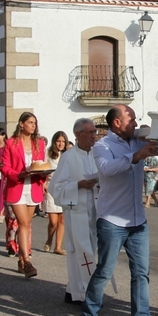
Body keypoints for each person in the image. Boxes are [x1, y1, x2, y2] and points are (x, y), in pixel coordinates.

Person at [77, 104, 158, 316]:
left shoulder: (138, 140)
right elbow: (107, 169)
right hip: (112, 220)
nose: (135, 123)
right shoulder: (102, 146)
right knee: (105, 270)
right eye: (132, 120)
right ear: (117, 123)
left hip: (137, 219)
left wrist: (154, 135)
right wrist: (137, 156)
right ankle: (88, 314)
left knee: (141, 273)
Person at [50, 118, 100, 304]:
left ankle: (73, 290)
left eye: (95, 132)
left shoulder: (98, 154)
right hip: (76, 209)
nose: (94, 136)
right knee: (77, 251)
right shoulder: (68, 157)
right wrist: (78, 185)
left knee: (90, 249)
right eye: (91, 132)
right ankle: (85, 294)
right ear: (78, 134)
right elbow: (55, 187)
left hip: (96, 209)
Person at [1, 111, 46, 277]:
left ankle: (21, 260)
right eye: (30, 122)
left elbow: (41, 164)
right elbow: (4, 166)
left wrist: (43, 173)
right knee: (23, 222)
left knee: (26, 224)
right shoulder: (11, 143)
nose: (33, 126)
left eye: (35, 123)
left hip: (32, 187)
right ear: (21, 124)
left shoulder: (39, 143)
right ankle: (27, 261)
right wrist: (18, 175)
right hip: (17, 186)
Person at [43, 131, 68, 254]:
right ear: (54, 142)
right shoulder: (48, 153)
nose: (61, 144)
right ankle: (49, 239)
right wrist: (43, 183)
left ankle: (58, 247)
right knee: (53, 221)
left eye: (63, 141)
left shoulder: (68, 155)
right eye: (58, 141)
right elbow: (42, 168)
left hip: (64, 188)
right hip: (51, 187)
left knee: (62, 219)